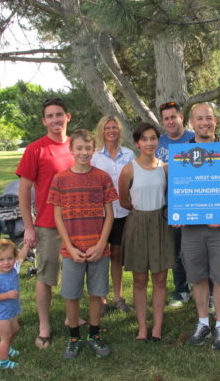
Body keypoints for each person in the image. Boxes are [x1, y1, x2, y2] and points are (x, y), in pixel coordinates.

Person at [48, 129, 117, 359]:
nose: (84, 152)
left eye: (88, 148)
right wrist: (69, 246)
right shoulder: (60, 179)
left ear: (94, 149)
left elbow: (110, 214)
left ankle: (94, 335)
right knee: (72, 295)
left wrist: (101, 244)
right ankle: (74, 337)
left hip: (98, 249)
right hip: (72, 251)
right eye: (79, 148)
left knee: (97, 294)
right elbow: (57, 216)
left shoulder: (102, 178)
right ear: (71, 150)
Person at [16, 98, 74, 349]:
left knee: (74, 273)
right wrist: (29, 227)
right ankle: (44, 326)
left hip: (77, 224)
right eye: (49, 116)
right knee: (46, 276)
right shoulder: (35, 149)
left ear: (67, 117)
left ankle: (71, 317)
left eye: (59, 114)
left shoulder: (77, 146)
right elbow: (23, 191)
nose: (55, 120)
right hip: (48, 224)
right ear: (44, 121)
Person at [181, 103, 220, 350]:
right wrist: (178, 212)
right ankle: (203, 323)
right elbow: (177, 190)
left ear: (216, 121)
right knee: (198, 277)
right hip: (192, 227)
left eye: (209, 118)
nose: (205, 122)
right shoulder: (183, 153)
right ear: (192, 123)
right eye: (200, 118)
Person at [118, 123, 175, 341]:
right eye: (145, 139)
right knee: (140, 279)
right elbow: (124, 200)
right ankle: (142, 327)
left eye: (153, 138)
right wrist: (140, 213)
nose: (149, 143)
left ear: (158, 141)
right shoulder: (129, 170)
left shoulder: (165, 168)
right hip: (138, 223)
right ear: (137, 143)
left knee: (160, 279)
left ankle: (157, 327)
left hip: (160, 223)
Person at [91, 115, 135, 313]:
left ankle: (118, 298)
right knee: (100, 255)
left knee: (116, 256)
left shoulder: (129, 154)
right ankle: (101, 300)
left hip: (123, 212)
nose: (111, 131)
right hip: (100, 214)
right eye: (107, 128)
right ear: (102, 131)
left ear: (119, 130)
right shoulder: (95, 157)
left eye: (114, 127)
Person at [156, 101, 195, 307]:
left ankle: (206, 290)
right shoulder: (158, 142)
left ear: (181, 117)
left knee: (200, 249)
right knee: (177, 251)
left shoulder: (193, 138)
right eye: (166, 118)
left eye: (173, 117)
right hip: (170, 205)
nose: (170, 121)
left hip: (195, 203)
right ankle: (181, 290)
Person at [0, 238, 30, 369]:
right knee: (6, 337)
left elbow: (21, 257)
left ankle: (8, 348)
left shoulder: (14, 268)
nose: (6, 262)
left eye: (10, 258)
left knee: (15, 330)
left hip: (10, 311)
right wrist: (7, 295)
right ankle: (3, 362)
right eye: (1, 260)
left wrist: (27, 245)